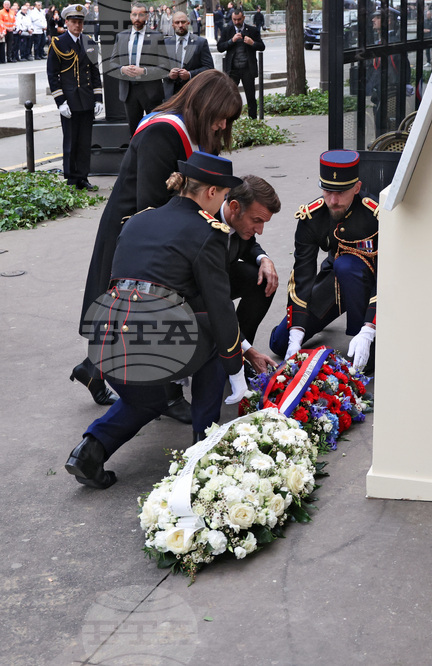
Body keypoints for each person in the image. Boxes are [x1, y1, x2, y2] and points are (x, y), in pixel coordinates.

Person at [67, 153, 250, 489]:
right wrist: (235, 366)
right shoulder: (208, 232)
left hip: (105, 339)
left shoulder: (139, 220)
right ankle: (204, 448)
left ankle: (88, 453)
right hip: (151, 339)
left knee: (147, 401)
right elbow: (219, 307)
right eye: (224, 195)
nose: (223, 203)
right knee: (215, 336)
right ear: (211, 191)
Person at [73, 69, 242, 413]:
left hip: (162, 229)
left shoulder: (188, 127)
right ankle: (166, 394)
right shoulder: (162, 131)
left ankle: (94, 370)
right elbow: (151, 204)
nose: (224, 125)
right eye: (222, 117)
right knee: (147, 308)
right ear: (205, 105)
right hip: (138, 232)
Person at [269, 150, 378, 374]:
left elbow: (389, 274)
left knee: (347, 265)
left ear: (356, 188)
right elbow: (302, 274)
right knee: (280, 344)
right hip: (337, 283)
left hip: (370, 287)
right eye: (328, 191)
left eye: (341, 192)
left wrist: (369, 327)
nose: (333, 201)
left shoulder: (375, 216)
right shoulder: (312, 217)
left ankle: (367, 341)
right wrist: (296, 333)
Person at [219, 174, 281, 347]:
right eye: (256, 220)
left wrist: (264, 260)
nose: (260, 230)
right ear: (234, 207)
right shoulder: (205, 220)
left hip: (221, 277)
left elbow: (248, 244)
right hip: (193, 293)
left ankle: (239, 352)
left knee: (263, 280)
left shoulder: (238, 223)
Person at [47, 3, 102, 191]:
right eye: (74, 21)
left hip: (86, 98)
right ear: (67, 22)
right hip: (69, 100)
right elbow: (53, 75)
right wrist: (60, 102)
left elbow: (94, 72)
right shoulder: (58, 43)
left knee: (85, 142)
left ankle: (83, 177)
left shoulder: (89, 42)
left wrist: (98, 98)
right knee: (71, 141)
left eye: (80, 22)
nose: (77, 25)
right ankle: (71, 179)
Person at [110, 3, 169, 134]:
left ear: (147, 16)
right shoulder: (121, 36)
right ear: (130, 16)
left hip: (151, 91)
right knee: (134, 131)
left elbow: (165, 67)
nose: (137, 18)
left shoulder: (156, 36)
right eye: (134, 14)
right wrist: (122, 69)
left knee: (155, 131)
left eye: (141, 15)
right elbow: (112, 64)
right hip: (129, 91)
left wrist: (144, 71)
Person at [218, 8, 264, 119]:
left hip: (247, 68)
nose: (236, 22)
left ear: (243, 18)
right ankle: (229, 120)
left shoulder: (252, 30)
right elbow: (220, 47)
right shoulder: (227, 30)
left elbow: (262, 46)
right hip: (233, 69)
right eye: (234, 19)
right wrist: (231, 41)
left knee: (250, 96)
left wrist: (252, 43)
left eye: (239, 19)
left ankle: (252, 120)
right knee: (229, 96)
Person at [163, 11, 213, 100]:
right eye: (177, 22)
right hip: (171, 95)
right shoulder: (165, 43)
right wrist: (168, 74)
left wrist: (190, 74)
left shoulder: (200, 42)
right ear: (172, 25)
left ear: (188, 23)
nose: (180, 25)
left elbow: (209, 68)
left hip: (193, 93)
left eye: (183, 22)